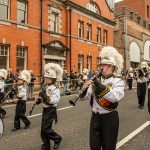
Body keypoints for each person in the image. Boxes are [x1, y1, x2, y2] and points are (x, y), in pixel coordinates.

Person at [85, 46, 125, 150]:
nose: (102, 67)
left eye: (106, 65)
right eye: (102, 64)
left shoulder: (118, 81)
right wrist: (85, 89)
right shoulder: (96, 79)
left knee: (108, 147)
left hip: (109, 118)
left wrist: (100, 86)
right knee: (94, 147)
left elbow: (115, 96)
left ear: (112, 67)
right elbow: (90, 95)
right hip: (95, 117)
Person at [36, 63, 63, 150]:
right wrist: (39, 100)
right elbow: (43, 98)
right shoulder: (46, 86)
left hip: (51, 110)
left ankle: (57, 138)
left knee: (46, 129)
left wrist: (44, 96)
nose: (46, 79)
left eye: (47, 78)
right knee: (43, 129)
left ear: (52, 79)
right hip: (45, 109)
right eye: (46, 77)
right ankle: (46, 145)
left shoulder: (55, 88)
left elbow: (55, 100)